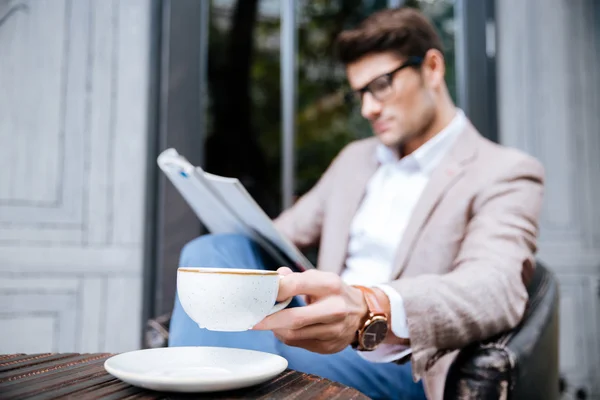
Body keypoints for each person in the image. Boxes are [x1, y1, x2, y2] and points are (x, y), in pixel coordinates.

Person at [168, 7, 544, 400]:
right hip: (320, 326)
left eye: (381, 85)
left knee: (252, 353)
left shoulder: (504, 170)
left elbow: (493, 287)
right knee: (210, 250)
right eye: (360, 93)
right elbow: (279, 235)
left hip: (395, 359)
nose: (369, 108)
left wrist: (369, 308)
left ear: (432, 68)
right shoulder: (355, 159)